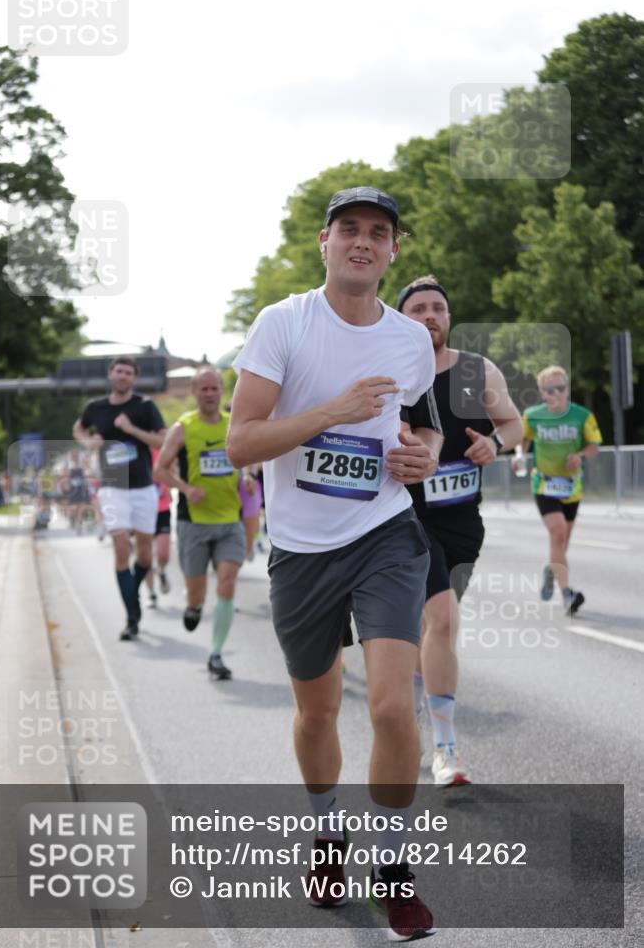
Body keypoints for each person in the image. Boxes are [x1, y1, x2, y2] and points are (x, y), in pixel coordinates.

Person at [227, 187, 443, 940]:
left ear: (391, 250)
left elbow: (415, 423)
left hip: (383, 531)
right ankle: (326, 835)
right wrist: (330, 412)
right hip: (300, 547)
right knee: (318, 713)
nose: (362, 241)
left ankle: (391, 867)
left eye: (377, 232)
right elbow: (241, 444)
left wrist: (420, 458)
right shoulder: (282, 324)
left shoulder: (409, 341)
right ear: (324, 241)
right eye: (348, 228)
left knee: (389, 706)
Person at [397, 277, 523, 787]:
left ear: (449, 317)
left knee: (435, 630)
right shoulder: (392, 370)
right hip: (404, 516)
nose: (430, 316)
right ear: (402, 318)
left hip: (462, 520)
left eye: (438, 308)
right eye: (419, 309)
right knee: (442, 620)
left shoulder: (477, 369)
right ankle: (445, 750)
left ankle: (415, 687)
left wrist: (495, 443)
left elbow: (513, 424)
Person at [155, 366, 248, 680]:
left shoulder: (233, 424)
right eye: (204, 389)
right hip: (193, 521)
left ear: (222, 391)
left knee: (227, 583)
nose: (210, 394)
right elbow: (161, 471)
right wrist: (186, 489)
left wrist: (247, 478)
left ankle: (216, 653)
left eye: (215, 388)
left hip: (229, 519)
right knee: (197, 593)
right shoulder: (183, 427)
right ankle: (193, 607)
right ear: (194, 392)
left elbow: (243, 459)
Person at [72, 356, 166, 640]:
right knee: (122, 545)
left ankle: (132, 592)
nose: (123, 376)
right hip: (112, 487)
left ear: (134, 378)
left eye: (128, 372)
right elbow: (78, 428)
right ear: (110, 374)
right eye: (119, 371)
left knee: (145, 554)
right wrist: (88, 442)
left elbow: (163, 440)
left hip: (143, 487)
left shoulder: (145, 406)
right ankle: (132, 617)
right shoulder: (95, 408)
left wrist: (132, 430)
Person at [512, 365, 602, 615]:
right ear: (542, 393)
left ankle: (552, 569)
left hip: (572, 487)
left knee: (562, 542)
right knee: (558, 532)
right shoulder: (532, 415)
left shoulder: (583, 416)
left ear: (567, 389)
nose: (557, 393)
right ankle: (567, 594)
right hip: (544, 483)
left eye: (561, 388)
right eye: (550, 389)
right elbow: (523, 438)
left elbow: (594, 446)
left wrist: (581, 455)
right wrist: (519, 455)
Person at [145, 447, 172, 607]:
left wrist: (167, 488)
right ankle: (151, 593)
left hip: (162, 508)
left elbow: (170, 471)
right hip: (142, 511)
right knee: (146, 555)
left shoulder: (160, 450)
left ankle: (161, 571)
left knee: (163, 555)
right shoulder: (130, 449)